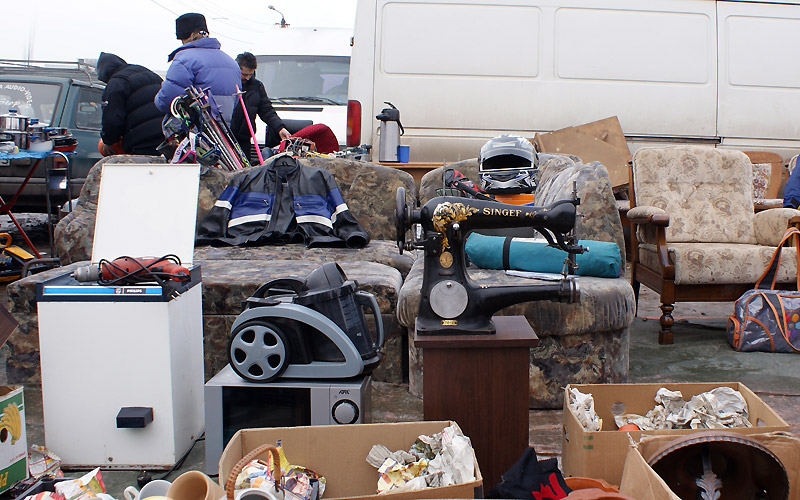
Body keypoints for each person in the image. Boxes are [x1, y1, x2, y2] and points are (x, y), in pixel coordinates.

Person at [154, 13, 241, 124]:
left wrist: (156, 99)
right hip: (222, 131)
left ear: (190, 35)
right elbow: (236, 100)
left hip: (192, 130)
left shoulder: (184, 60)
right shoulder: (231, 63)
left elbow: (167, 100)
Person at [96, 52, 164, 156]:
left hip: (142, 140)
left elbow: (112, 118)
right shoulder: (148, 73)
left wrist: (108, 141)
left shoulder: (116, 82)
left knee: (144, 165)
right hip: (166, 135)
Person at [230, 52, 291, 162]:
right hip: (227, 139)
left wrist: (280, 128)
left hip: (245, 140)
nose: (247, 78)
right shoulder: (227, 84)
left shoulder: (257, 86)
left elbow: (266, 110)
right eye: (244, 74)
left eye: (250, 74)